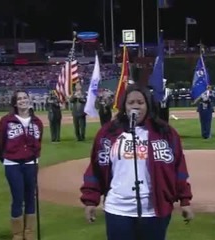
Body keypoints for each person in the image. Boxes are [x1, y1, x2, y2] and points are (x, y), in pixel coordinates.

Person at [80, 84, 194, 240]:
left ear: (148, 105)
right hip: (118, 209)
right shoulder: (108, 133)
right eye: (131, 102)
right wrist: (90, 200)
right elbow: (95, 167)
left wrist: (184, 200)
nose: (136, 106)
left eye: (140, 103)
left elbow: (178, 168)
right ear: (124, 106)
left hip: (154, 211)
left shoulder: (165, 133)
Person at [0, 90, 44, 240]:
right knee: (17, 198)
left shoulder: (37, 122)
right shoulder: (7, 120)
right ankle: (17, 234)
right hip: (12, 163)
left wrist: (35, 155)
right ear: (15, 103)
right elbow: (0, 142)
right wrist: (7, 157)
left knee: (31, 197)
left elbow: (39, 141)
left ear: (29, 101)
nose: (23, 101)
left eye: (25, 98)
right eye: (19, 99)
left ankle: (29, 232)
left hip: (31, 162)